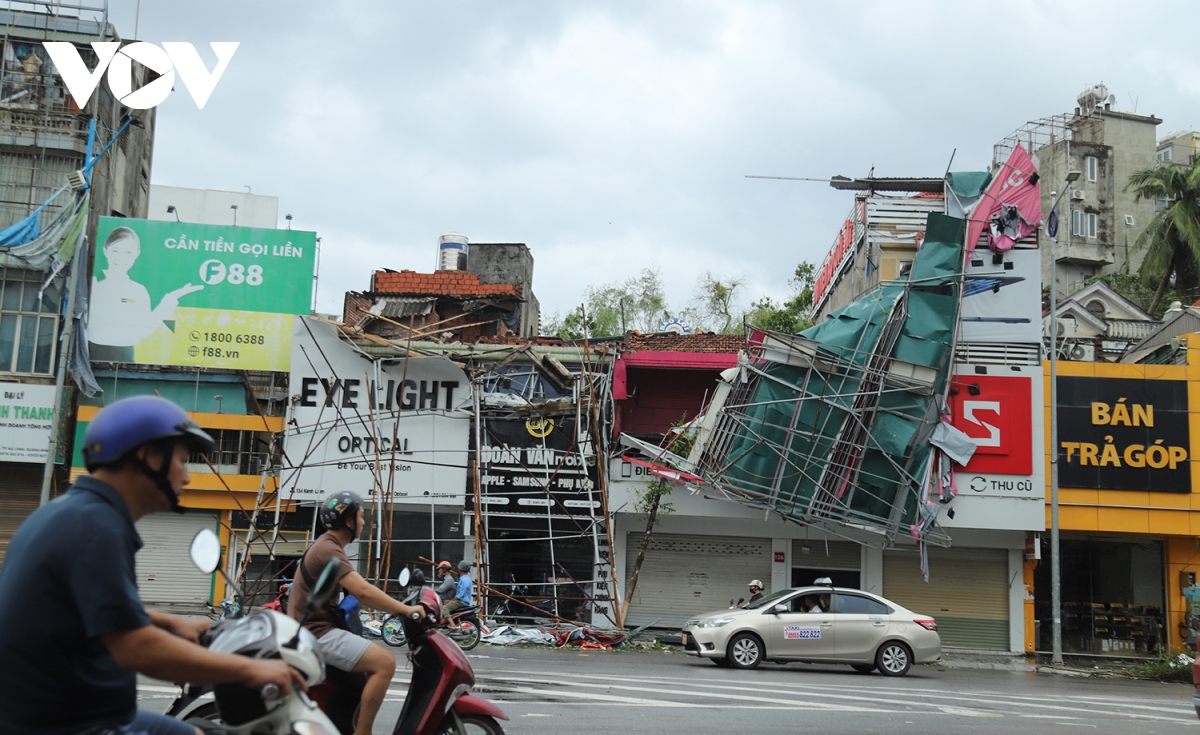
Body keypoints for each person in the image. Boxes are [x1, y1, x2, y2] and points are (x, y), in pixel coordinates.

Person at [0, 395, 302, 735]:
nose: (186, 478)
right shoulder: (100, 528)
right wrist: (249, 670)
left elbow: (86, 612)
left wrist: (172, 623)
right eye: (184, 462)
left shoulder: (70, 513)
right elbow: (136, 649)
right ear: (147, 456)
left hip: (64, 715)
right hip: (69, 726)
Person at [289, 490, 423, 735]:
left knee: (358, 682)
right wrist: (406, 609)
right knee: (384, 663)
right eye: (361, 517)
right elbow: (363, 592)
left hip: (312, 631)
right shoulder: (328, 549)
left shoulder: (327, 546)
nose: (364, 522)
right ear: (348, 521)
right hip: (316, 633)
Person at [88, 226, 204, 362]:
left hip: (125, 355)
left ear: (137, 254)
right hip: (93, 353)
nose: (121, 258)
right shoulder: (93, 284)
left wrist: (169, 301)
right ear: (105, 251)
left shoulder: (139, 290)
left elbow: (145, 328)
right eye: (115, 250)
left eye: (128, 253)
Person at [442, 560, 473, 629]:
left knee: (444, 608)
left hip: (461, 602)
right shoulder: (466, 578)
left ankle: (452, 624)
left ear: (460, 570)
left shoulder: (463, 580)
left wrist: (450, 601)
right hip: (462, 601)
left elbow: (460, 595)